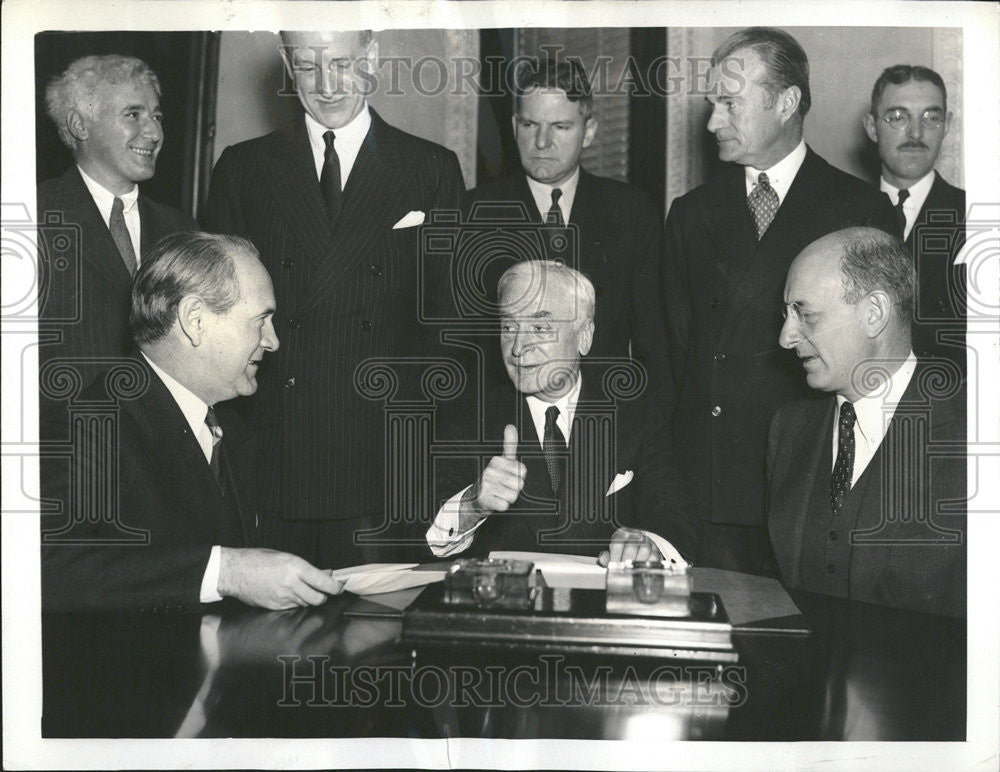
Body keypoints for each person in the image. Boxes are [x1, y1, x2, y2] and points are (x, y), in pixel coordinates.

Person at [203, 31, 465, 568]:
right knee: (269, 647)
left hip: (385, 466)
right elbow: (216, 322)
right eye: (307, 67)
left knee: (374, 644)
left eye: (342, 63)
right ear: (286, 65)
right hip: (276, 463)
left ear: (370, 59)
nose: (326, 86)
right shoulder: (244, 168)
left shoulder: (430, 167)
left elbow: (450, 328)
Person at [662, 27, 897, 574]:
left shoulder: (860, 210)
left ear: (786, 101)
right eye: (711, 104)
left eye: (730, 104)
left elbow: (880, 367)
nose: (713, 122)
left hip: (811, 481)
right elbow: (671, 355)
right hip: (711, 490)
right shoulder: (691, 215)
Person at [41, 232, 345, 612]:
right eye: (261, 320)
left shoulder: (229, 422)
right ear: (194, 320)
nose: (273, 341)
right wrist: (227, 573)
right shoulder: (91, 425)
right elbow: (41, 566)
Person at [426, 260, 696, 564]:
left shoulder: (636, 413)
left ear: (584, 336)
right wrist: (472, 505)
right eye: (509, 327)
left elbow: (678, 524)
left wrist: (648, 545)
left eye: (539, 327)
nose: (517, 347)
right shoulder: (468, 415)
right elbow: (421, 539)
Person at [768, 227, 965, 617]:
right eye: (786, 314)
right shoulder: (788, 429)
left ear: (874, 314)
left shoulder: (971, 430)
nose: (786, 337)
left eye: (804, 314)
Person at [464, 57, 670, 408]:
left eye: (560, 127)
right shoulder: (472, 212)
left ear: (588, 131)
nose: (541, 142)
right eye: (530, 124)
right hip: (503, 419)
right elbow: (460, 346)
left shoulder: (632, 212)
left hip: (605, 417)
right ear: (514, 126)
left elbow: (654, 343)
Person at [38, 55, 197, 384]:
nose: (154, 132)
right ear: (80, 125)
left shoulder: (183, 231)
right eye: (133, 114)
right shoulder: (32, 217)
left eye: (157, 116)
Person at [863, 64, 966, 367]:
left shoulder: (975, 215)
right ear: (871, 127)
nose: (916, 133)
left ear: (947, 125)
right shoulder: (844, 212)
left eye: (931, 117)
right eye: (897, 117)